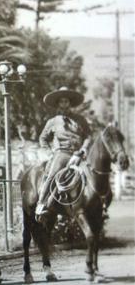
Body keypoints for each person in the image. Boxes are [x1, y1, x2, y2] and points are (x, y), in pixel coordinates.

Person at [36, 86, 91, 219]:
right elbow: (42, 138)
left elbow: (88, 136)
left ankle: (100, 203)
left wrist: (83, 149)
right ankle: (41, 204)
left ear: (70, 103)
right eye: (61, 102)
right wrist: (49, 152)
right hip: (62, 154)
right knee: (52, 175)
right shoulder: (53, 121)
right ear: (58, 104)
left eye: (66, 101)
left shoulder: (80, 120)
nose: (64, 104)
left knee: (93, 174)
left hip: (79, 154)